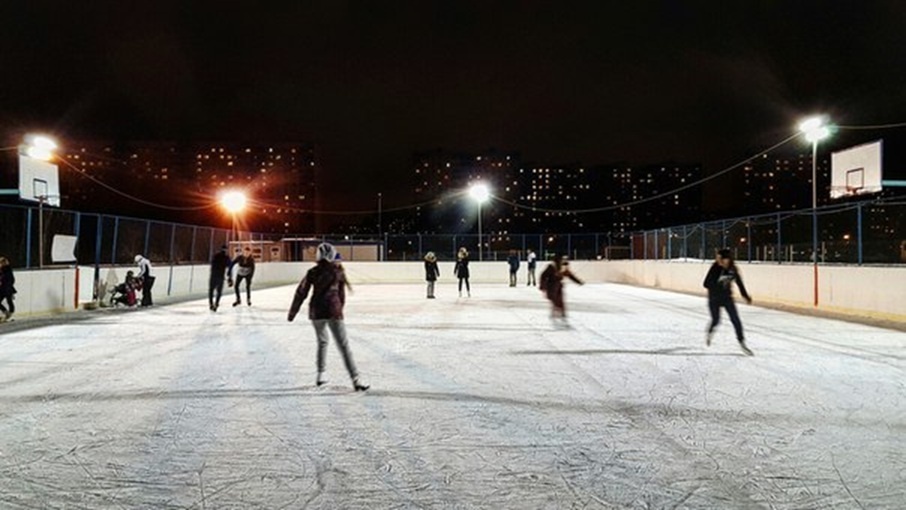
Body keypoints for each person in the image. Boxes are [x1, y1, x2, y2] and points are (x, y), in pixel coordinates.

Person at [288, 243, 369, 391]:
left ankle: (321, 375)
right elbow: (341, 295)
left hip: (317, 312)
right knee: (343, 346)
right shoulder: (337, 271)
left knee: (322, 342)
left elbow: (301, 292)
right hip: (333, 311)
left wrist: (292, 312)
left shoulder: (312, 272)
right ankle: (356, 379)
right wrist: (339, 310)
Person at [704, 248, 754, 356]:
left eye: (723, 259)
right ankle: (710, 331)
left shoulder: (733, 269)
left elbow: (740, 283)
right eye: (719, 259)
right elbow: (706, 283)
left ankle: (742, 342)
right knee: (716, 320)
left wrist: (746, 296)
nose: (720, 261)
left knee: (736, 320)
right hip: (714, 299)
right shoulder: (715, 268)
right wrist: (717, 285)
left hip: (727, 298)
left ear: (728, 259)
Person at [539, 254, 583, 324]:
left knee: (560, 300)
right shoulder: (551, 267)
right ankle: (555, 312)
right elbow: (543, 276)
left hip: (559, 286)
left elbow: (570, 275)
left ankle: (562, 313)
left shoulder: (563, 268)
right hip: (551, 286)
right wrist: (542, 286)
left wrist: (579, 282)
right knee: (555, 299)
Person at [209, 245, 233, 311]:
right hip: (220, 276)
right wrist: (230, 278)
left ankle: (211, 304)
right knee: (219, 291)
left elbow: (212, 264)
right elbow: (230, 267)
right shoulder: (226, 257)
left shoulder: (216, 256)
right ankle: (216, 304)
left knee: (211, 290)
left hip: (213, 275)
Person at [0, 257, 17, 322]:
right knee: (9, 301)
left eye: (1, 263)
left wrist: (9, 290)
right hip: (3, 289)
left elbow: (11, 280)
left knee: (9, 300)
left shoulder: (8, 270)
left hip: (7, 289)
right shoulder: (2, 270)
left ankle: (10, 313)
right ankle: (6, 312)